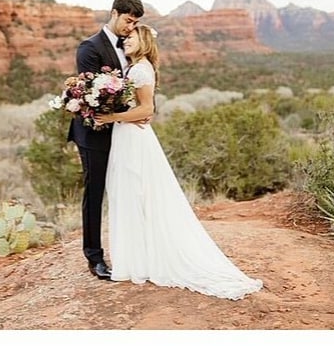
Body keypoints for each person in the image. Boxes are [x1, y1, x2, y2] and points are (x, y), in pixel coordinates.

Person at [94, 25, 263, 299]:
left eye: (131, 38)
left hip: (133, 139)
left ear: (144, 41)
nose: (125, 41)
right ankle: (139, 259)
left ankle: (138, 262)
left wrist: (110, 117)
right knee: (132, 194)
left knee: (135, 192)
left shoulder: (139, 69)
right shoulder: (135, 67)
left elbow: (147, 109)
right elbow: (139, 108)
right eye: (125, 38)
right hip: (128, 135)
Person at [68, 0, 145, 280]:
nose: (130, 27)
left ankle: (132, 251)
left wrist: (140, 110)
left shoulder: (131, 47)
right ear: (114, 13)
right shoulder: (89, 47)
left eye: (135, 22)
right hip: (94, 132)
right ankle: (94, 257)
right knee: (95, 192)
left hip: (125, 131)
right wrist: (130, 110)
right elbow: (91, 95)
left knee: (128, 191)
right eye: (128, 20)